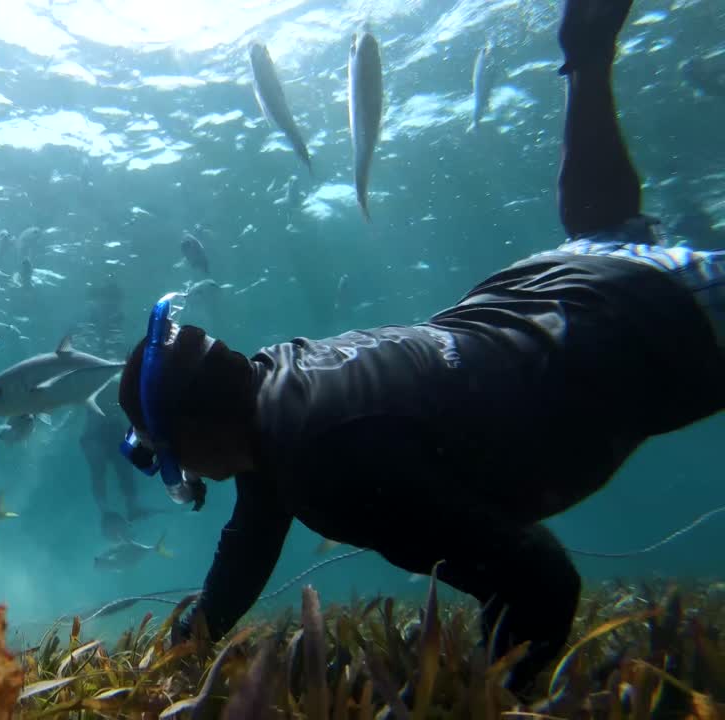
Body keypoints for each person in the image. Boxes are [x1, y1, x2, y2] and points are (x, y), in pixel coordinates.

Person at [115, 0, 725, 693]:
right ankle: (584, 58)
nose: (192, 474)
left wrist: (464, 698)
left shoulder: (322, 464)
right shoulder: (274, 390)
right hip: (559, 281)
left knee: (626, 266)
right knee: (604, 230)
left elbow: (539, 580)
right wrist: (192, 636)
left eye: (177, 459)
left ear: (200, 432)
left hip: (655, 328)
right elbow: (249, 540)